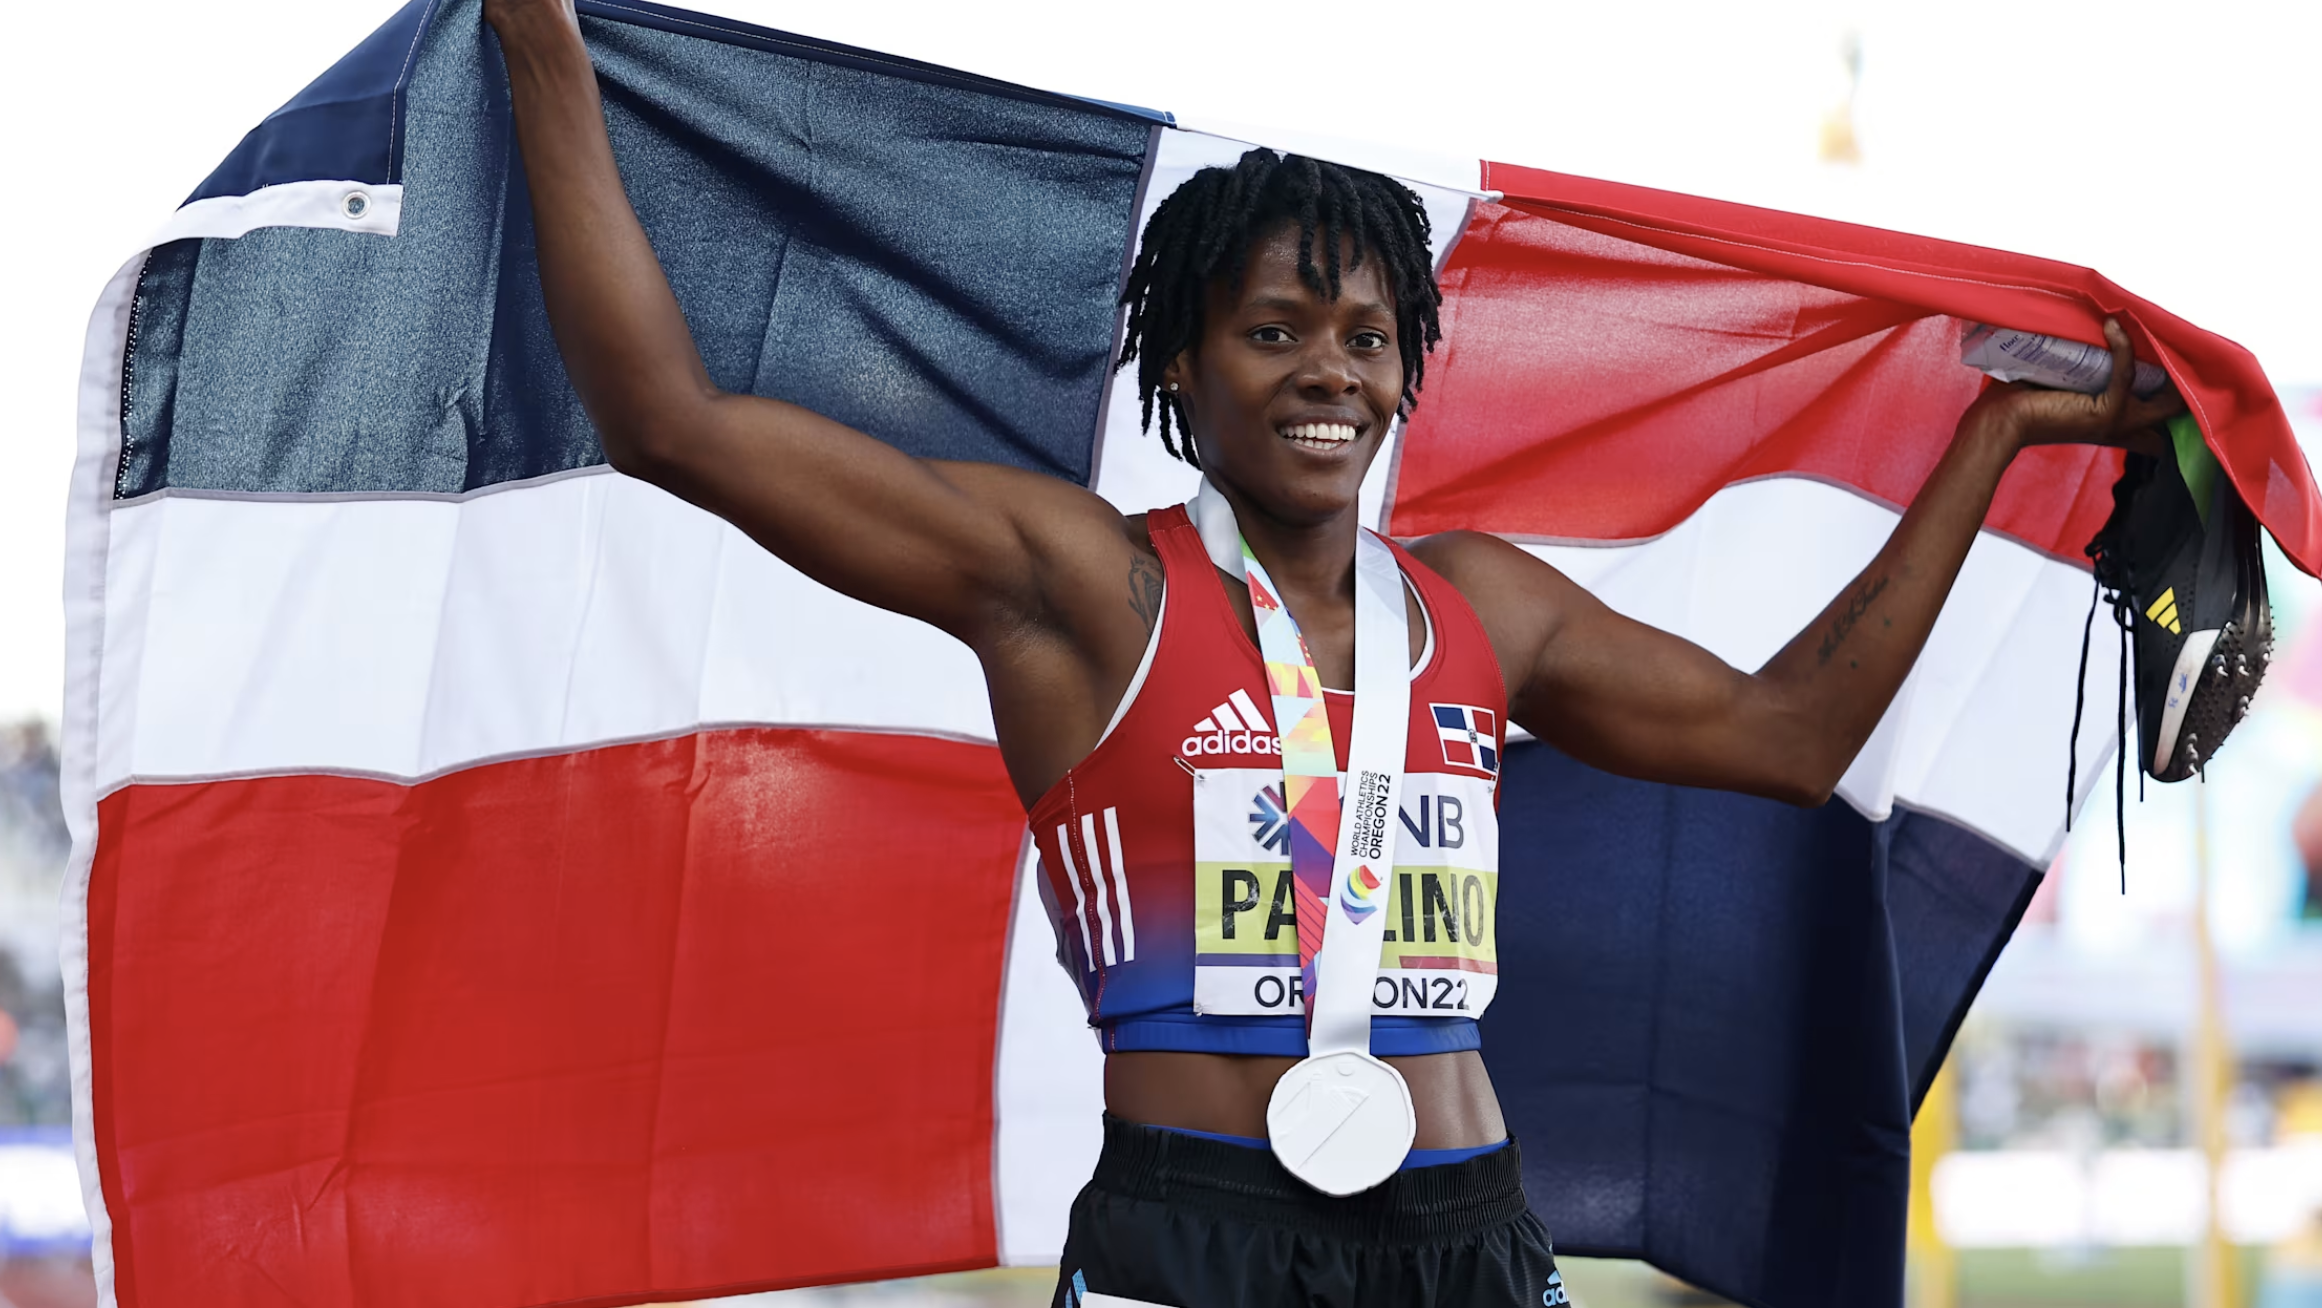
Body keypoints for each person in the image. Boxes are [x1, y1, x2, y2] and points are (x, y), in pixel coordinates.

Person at [480, 1, 2185, 1302]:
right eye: (1275, 330)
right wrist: (545, 44)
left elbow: (1790, 737)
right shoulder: (1083, 588)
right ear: (1186, 363)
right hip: (1195, 1236)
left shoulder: (1485, 607)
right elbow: (672, 420)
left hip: (1471, 1235)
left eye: (1367, 339)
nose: (1328, 373)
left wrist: (1995, 439)